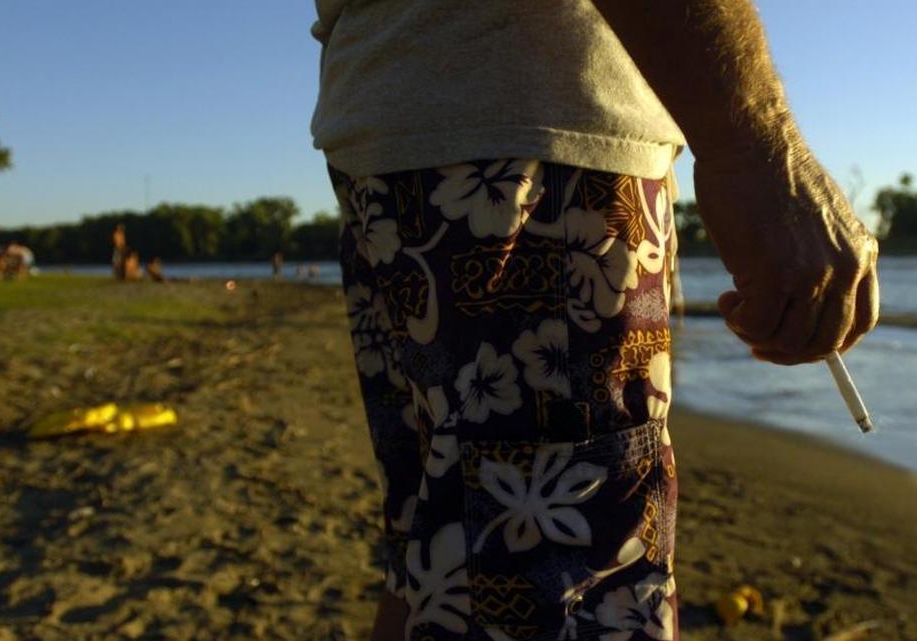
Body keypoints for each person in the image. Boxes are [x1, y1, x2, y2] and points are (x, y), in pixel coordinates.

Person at [310, 2, 880, 640]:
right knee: (574, 589)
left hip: (395, 141)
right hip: (537, 146)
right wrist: (756, 141)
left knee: (438, 569)